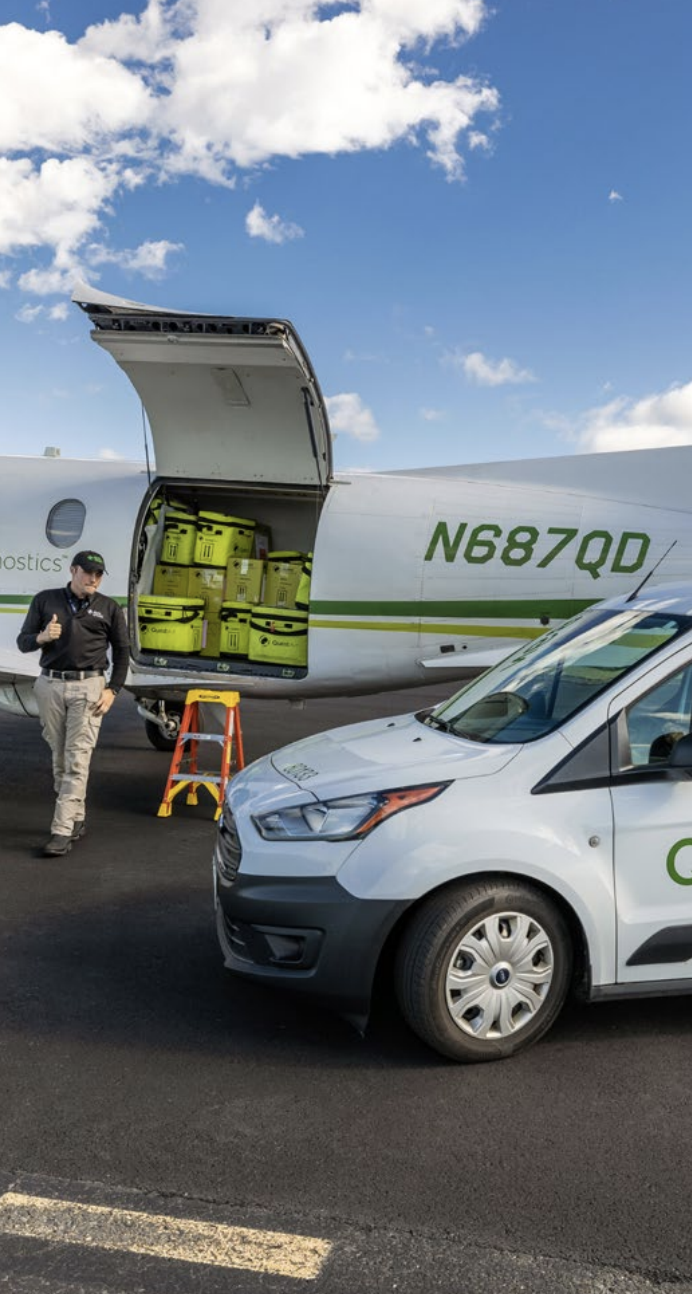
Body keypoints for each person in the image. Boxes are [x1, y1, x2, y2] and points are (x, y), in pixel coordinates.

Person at [17, 550, 129, 856]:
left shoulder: (109, 607)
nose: (94, 578)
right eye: (88, 572)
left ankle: (61, 830)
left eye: (99, 574)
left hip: (90, 688)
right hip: (49, 685)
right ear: (73, 570)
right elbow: (23, 641)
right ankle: (77, 817)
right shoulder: (45, 600)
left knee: (78, 758)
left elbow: (122, 652)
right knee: (60, 757)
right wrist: (42, 637)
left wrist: (113, 690)